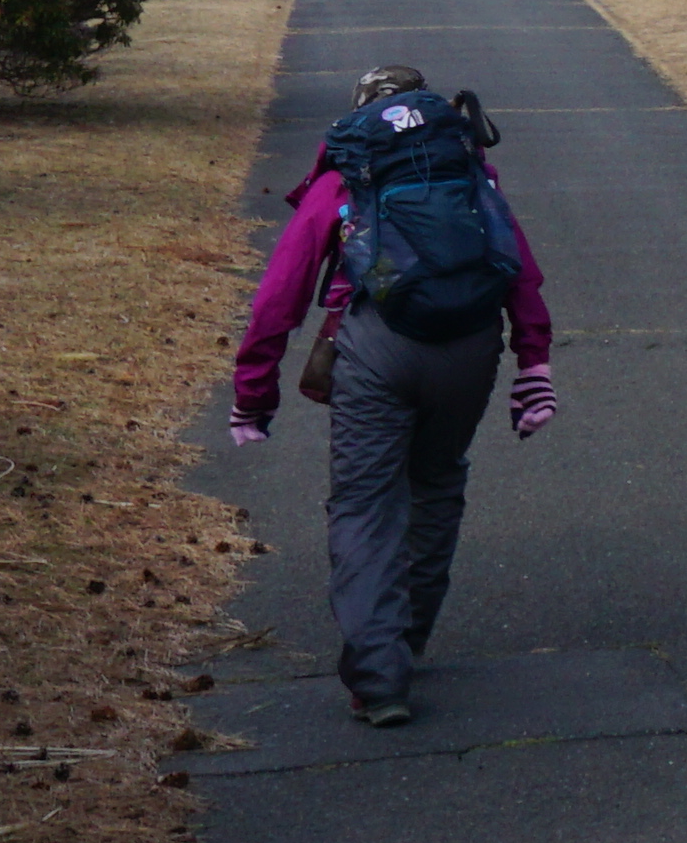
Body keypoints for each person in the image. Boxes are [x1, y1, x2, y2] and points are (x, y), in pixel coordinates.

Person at [234, 60, 560, 729]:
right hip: (472, 348)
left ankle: (380, 677)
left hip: (376, 351)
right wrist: (533, 365)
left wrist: (254, 393)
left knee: (365, 504)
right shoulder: (471, 171)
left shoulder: (344, 179)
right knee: (435, 485)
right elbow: (519, 270)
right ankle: (406, 640)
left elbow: (280, 296)